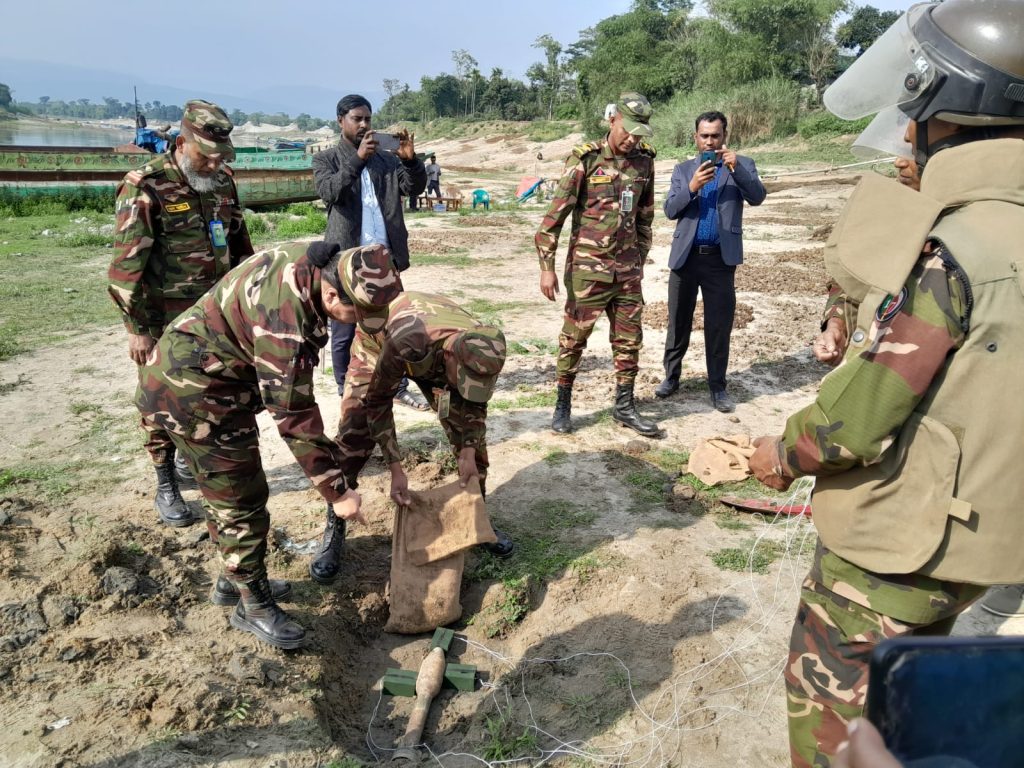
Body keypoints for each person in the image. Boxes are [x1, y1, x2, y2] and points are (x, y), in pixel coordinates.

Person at [746, 1, 1024, 764]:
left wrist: (782, 452)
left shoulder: (956, 246)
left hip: (903, 551)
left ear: (951, 110)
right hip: (993, 539)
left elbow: (857, 420)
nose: (906, 132)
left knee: (839, 718)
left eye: (916, 111)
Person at [135, 241, 370, 649]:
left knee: (230, 493)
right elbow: (292, 412)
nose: (362, 324)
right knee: (239, 500)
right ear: (333, 294)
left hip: (196, 379)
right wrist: (336, 491)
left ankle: (233, 581)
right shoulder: (287, 319)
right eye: (358, 314)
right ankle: (253, 605)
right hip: (195, 398)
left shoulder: (315, 265)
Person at [309, 264, 514, 583]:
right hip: (380, 347)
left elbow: (474, 402)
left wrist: (469, 449)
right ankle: (334, 530)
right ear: (450, 359)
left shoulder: (481, 346)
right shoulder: (408, 341)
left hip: (435, 353)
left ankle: (478, 519)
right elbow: (377, 404)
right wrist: (395, 468)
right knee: (353, 438)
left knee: (475, 447)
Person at [109, 99, 254, 529]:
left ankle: (195, 460)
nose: (213, 164)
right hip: (163, 322)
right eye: (205, 154)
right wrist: (137, 330)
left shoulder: (222, 183)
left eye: (220, 156)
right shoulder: (145, 185)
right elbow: (124, 269)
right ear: (181, 141)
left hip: (217, 320)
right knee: (161, 402)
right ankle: (165, 480)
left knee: (214, 393)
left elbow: (241, 247)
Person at [536, 92, 659, 437]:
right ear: (612, 120)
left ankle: (624, 406)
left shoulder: (645, 162)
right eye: (628, 130)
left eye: (639, 133)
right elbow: (551, 222)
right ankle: (562, 405)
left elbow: (646, 218)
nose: (633, 139)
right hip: (588, 271)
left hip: (628, 272)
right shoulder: (585, 161)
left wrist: (640, 260)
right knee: (574, 339)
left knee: (629, 340)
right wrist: (547, 268)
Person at [312, 94, 428, 413]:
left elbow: (413, 188)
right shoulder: (327, 160)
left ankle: (396, 386)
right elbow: (329, 192)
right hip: (345, 262)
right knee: (345, 329)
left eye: (368, 119)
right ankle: (344, 389)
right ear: (341, 121)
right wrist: (358, 159)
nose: (364, 125)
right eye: (357, 119)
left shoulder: (387, 160)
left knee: (391, 327)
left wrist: (409, 160)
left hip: (384, 261)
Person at [655, 111, 766, 413]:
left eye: (715, 135)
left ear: (724, 136)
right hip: (686, 258)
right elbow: (669, 210)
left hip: (720, 260)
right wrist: (692, 186)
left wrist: (737, 167)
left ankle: (717, 386)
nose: (709, 141)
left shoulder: (741, 165)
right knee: (678, 322)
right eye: (704, 135)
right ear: (696, 137)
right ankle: (671, 377)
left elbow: (757, 197)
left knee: (719, 325)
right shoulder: (682, 170)